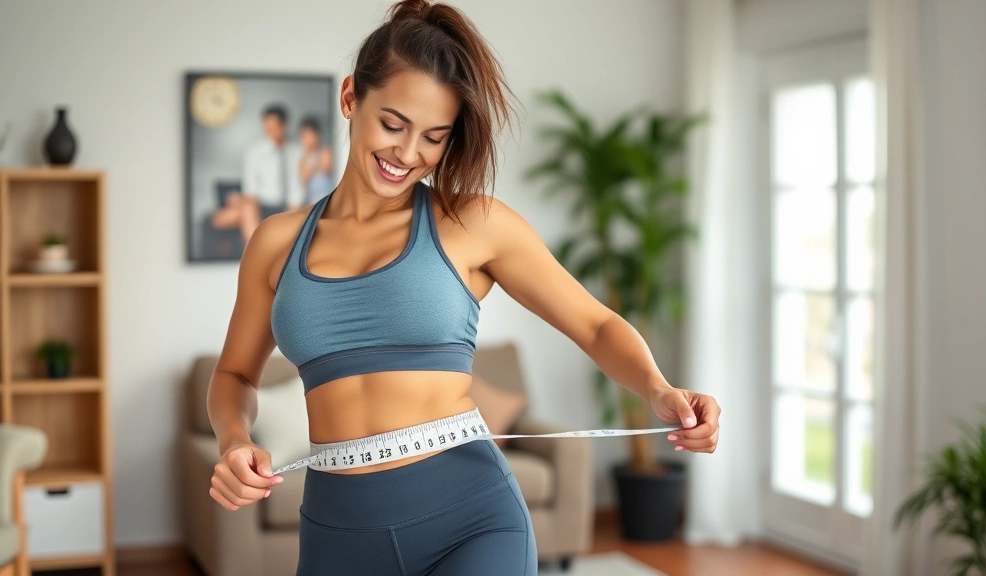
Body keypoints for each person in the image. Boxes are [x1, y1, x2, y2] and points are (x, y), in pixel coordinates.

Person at [206, 1, 721, 574]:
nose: (407, 154)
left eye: (434, 138)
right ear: (351, 97)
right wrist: (234, 440)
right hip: (336, 535)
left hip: (471, 522)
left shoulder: (473, 223)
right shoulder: (276, 243)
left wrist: (658, 388)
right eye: (393, 124)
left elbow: (595, 324)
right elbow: (235, 375)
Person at [211, 104, 304, 243]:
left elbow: (299, 185)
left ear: (284, 126)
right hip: (261, 206)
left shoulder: (298, 152)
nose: (270, 133)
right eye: (267, 128)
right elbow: (251, 189)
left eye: (273, 128)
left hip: (288, 206)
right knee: (237, 212)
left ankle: (258, 250)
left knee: (231, 215)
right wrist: (249, 204)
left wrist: (292, 208)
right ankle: (257, 250)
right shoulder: (254, 153)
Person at [298, 116, 335, 205]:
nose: (307, 140)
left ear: (317, 135)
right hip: (312, 201)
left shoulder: (325, 151)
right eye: (304, 136)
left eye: (310, 136)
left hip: (327, 199)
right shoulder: (304, 157)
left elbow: (325, 168)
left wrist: (313, 164)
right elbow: (303, 178)